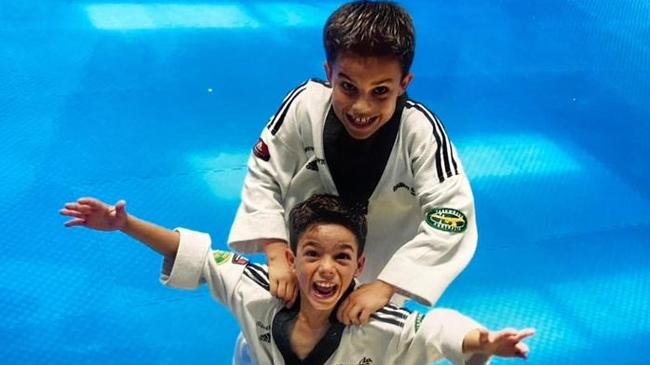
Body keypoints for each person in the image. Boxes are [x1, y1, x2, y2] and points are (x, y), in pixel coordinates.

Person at [230, 0, 477, 327]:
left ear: (404, 83)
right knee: (267, 342)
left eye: (381, 91)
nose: (362, 107)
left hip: (374, 288)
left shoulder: (421, 134)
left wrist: (387, 287)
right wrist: (276, 253)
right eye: (348, 87)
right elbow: (264, 174)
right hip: (298, 273)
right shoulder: (304, 107)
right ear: (329, 72)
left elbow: (453, 216)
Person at [60, 195, 534, 365]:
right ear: (291, 257)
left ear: (359, 266)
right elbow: (198, 257)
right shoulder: (260, 289)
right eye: (312, 254)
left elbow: (439, 329)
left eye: (342, 257)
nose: (326, 268)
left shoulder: (379, 325)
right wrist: (125, 224)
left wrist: (486, 342)